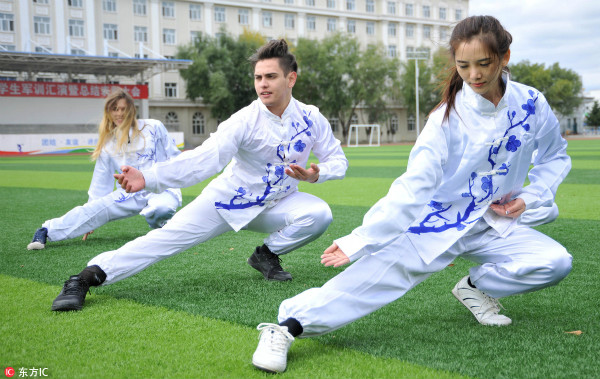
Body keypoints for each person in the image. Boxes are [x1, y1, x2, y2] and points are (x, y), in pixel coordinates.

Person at [251, 15, 573, 374]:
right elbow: (413, 186)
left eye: (484, 64)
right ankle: (285, 328)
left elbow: (555, 156)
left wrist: (531, 196)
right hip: (436, 223)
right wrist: (362, 238)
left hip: (493, 221)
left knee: (555, 262)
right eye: (463, 65)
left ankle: (476, 287)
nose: (474, 75)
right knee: (371, 281)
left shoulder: (531, 102)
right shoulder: (447, 120)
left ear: (505, 57)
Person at [50, 39, 348, 311]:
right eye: (258, 77)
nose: (262, 84)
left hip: (277, 204)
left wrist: (316, 174)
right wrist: (149, 178)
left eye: (271, 76)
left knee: (319, 214)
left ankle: (266, 254)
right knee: (165, 240)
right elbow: (204, 160)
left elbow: (338, 160)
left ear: (291, 78)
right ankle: (86, 278)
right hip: (226, 202)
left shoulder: (311, 117)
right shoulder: (245, 120)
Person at [27, 89, 182, 251]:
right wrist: (90, 220)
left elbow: (173, 155)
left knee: (161, 208)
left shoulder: (154, 127)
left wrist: (173, 178)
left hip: (161, 187)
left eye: (123, 109)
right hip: (129, 193)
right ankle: (45, 231)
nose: (119, 113)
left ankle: (163, 228)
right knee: (92, 209)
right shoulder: (108, 144)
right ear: (109, 112)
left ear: (131, 110)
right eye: (115, 109)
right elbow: (100, 184)